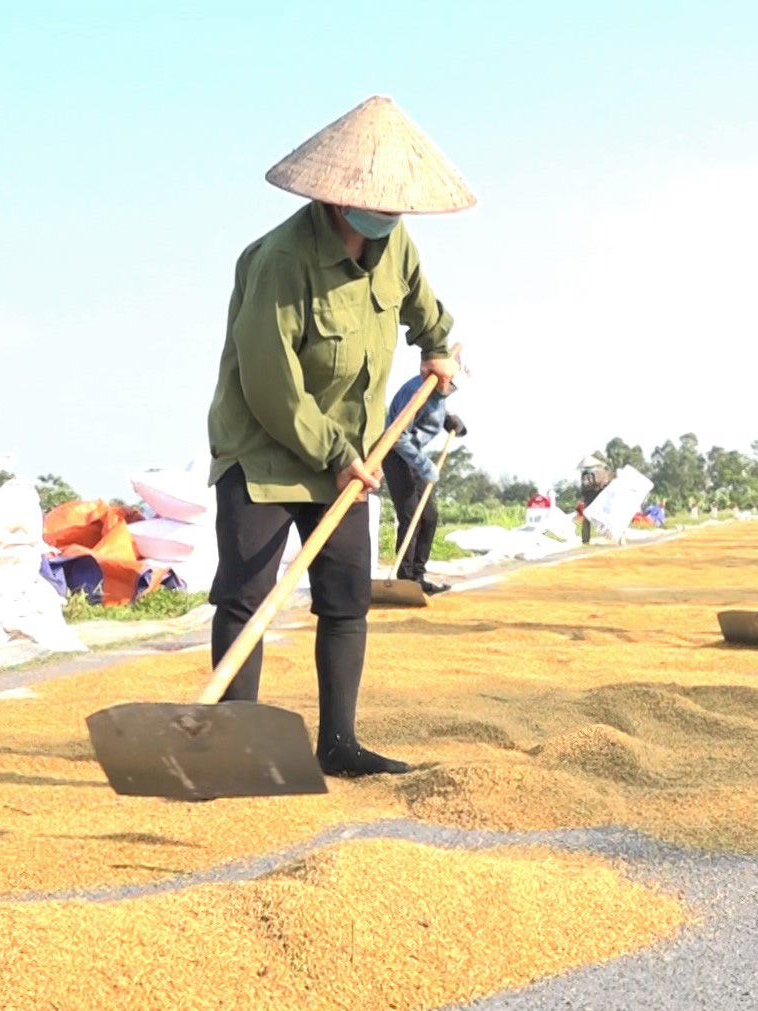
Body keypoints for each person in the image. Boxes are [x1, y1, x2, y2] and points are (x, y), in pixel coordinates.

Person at [204, 95, 472, 778]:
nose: (385, 219)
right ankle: (240, 744)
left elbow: (424, 308)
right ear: (334, 198)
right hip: (265, 452)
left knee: (346, 596)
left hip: (348, 458)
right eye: (374, 207)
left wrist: (438, 347)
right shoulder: (279, 261)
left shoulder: (393, 246)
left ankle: (340, 743)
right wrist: (338, 455)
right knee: (248, 595)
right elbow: (272, 387)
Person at [385, 348, 470, 594]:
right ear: (444, 378)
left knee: (429, 517)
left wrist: (451, 421)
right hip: (396, 456)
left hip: (415, 457)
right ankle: (405, 580)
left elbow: (436, 410)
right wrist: (424, 465)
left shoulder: (439, 390)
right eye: (452, 386)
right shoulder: (417, 391)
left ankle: (418, 577)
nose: (452, 390)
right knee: (411, 516)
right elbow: (398, 436)